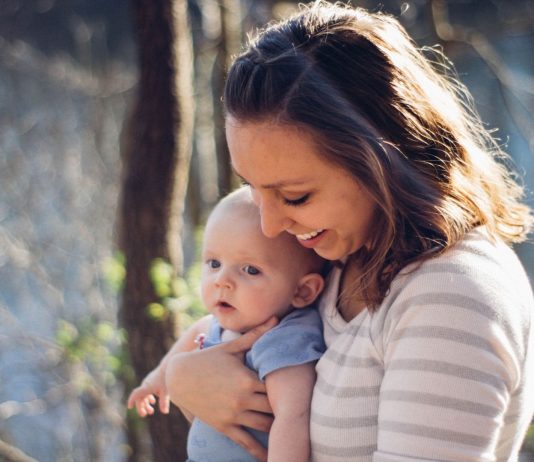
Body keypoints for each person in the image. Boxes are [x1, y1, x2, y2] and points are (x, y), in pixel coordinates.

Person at [164, 2, 534, 461]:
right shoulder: (339, 256)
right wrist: (185, 377)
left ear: (383, 163)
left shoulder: (450, 296)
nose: (269, 225)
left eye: (295, 196)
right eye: (252, 189)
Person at [128, 187, 326, 461]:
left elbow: (293, 418)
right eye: (214, 263)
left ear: (302, 292)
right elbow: (188, 339)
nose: (222, 280)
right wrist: (155, 381)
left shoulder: (284, 340)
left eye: (250, 269)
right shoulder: (215, 325)